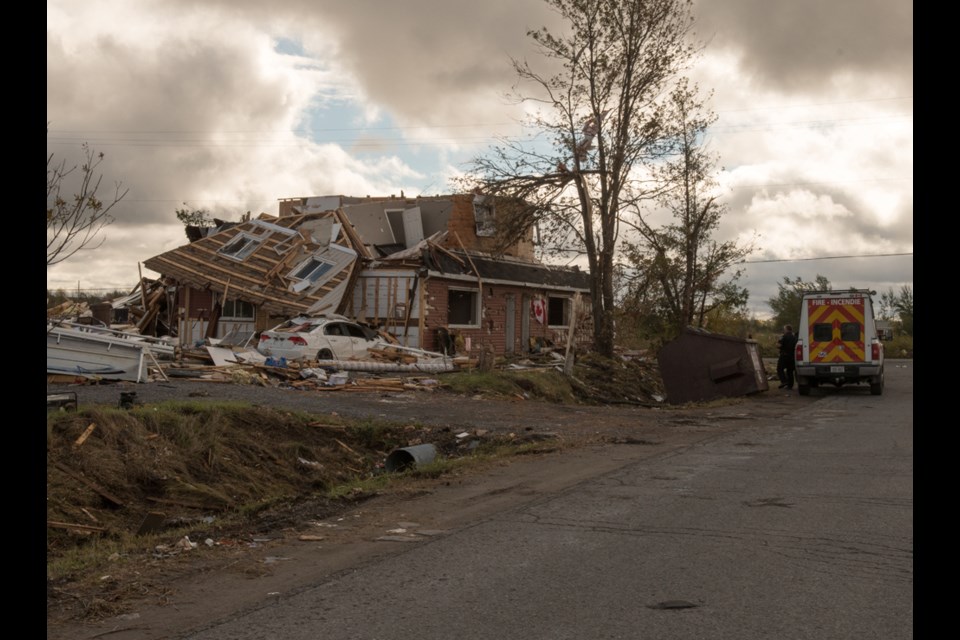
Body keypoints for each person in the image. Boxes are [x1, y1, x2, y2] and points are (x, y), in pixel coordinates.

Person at [776, 324, 798, 390]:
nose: (783, 330)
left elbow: (779, 345)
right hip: (792, 356)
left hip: (784, 355)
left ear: (786, 329)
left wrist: (777, 344)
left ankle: (784, 381)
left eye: (784, 329)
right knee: (790, 371)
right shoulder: (795, 337)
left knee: (779, 369)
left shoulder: (783, 336)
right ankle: (790, 385)